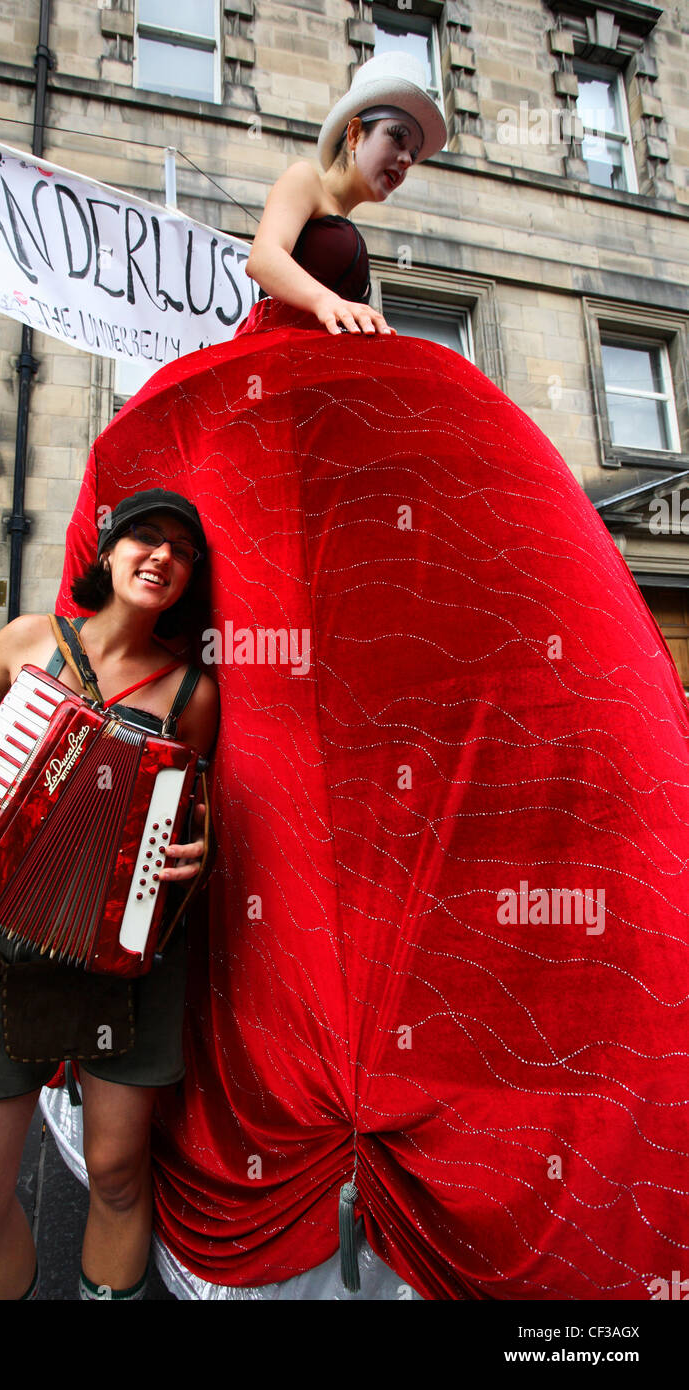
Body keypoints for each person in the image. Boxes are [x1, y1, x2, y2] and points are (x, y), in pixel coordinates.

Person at [55, 53, 689, 1300]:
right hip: (279, 387)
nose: (401, 161)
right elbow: (262, 265)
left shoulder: (366, 239)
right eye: (393, 135)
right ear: (353, 123)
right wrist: (339, 315)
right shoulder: (303, 183)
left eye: (417, 150)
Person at [0, 489, 218, 1301]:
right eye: (145, 539)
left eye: (183, 551)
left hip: (123, 963)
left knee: (118, 1174)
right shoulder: (31, 641)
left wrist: (200, 847)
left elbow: (196, 812)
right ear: (108, 553)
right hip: (2, 954)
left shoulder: (192, 694)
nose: (162, 557)